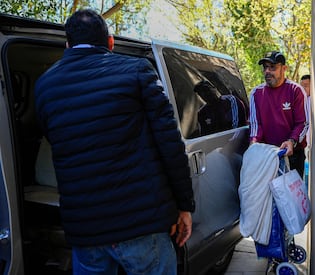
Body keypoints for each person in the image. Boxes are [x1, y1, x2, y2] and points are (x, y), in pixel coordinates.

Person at [34, 9, 195, 275]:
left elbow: (55, 139)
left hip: (85, 230)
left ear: (68, 44)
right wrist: (184, 205)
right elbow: (169, 143)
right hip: (141, 225)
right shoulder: (136, 70)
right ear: (110, 43)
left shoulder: (44, 86)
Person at [249, 51, 309, 177]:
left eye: (273, 67)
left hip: (292, 155)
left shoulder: (295, 90)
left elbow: (302, 123)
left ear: (284, 68)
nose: (267, 71)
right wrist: (254, 144)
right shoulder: (256, 93)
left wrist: (291, 141)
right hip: (267, 156)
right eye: (265, 67)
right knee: (267, 196)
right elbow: (256, 124)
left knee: (292, 196)